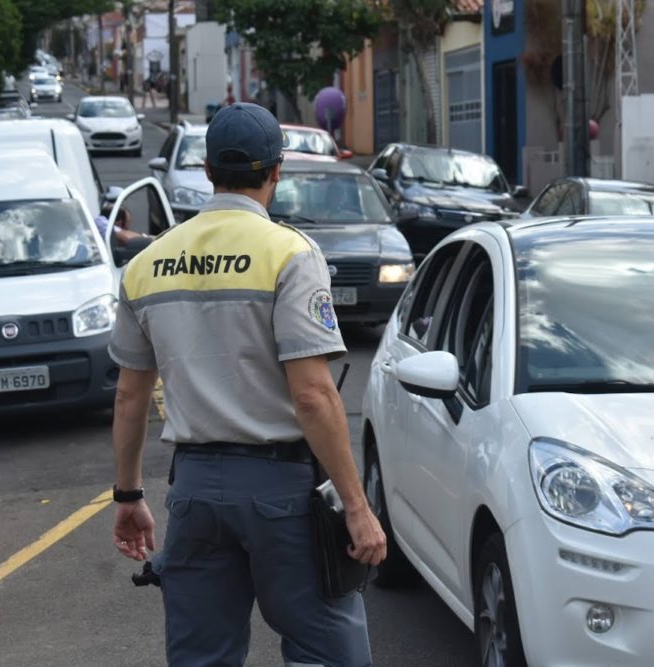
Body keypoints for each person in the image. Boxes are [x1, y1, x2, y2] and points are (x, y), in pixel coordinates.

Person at [107, 102, 386, 667]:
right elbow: (312, 394)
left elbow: (130, 396)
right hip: (280, 490)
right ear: (276, 172)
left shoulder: (146, 265)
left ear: (207, 171)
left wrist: (129, 494)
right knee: (327, 651)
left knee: (201, 657)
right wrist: (356, 506)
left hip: (193, 493)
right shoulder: (289, 253)